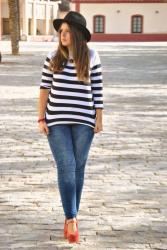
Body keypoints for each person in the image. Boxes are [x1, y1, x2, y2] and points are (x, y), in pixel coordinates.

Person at [38, 11, 103, 244]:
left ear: (76, 34)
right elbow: (44, 89)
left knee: (78, 168)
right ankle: (72, 218)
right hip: (56, 120)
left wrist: (99, 118)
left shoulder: (92, 56)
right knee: (66, 165)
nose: (62, 35)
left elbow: (97, 89)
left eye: (66, 31)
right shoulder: (52, 57)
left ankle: (71, 216)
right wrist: (41, 118)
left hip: (84, 121)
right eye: (60, 32)